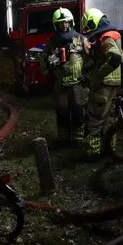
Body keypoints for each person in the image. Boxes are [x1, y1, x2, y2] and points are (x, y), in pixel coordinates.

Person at [38, 8, 89, 147]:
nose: (64, 25)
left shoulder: (81, 39)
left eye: (66, 22)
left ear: (71, 22)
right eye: (61, 23)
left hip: (78, 84)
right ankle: (63, 140)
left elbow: (91, 59)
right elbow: (43, 63)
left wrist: (87, 76)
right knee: (62, 114)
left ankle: (79, 141)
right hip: (60, 85)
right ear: (56, 25)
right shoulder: (51, 43)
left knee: (79, 112)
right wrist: (50, 65)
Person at [80, 8, 123, 159]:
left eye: (89, 25)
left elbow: (115, 58)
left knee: (95, 117)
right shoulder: (112, 35)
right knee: (110, 118)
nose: (88, 30)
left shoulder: (106, 38)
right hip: (113, 83)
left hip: (103, 85)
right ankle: (109, 149)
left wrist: (98, 74)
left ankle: (93, 152)